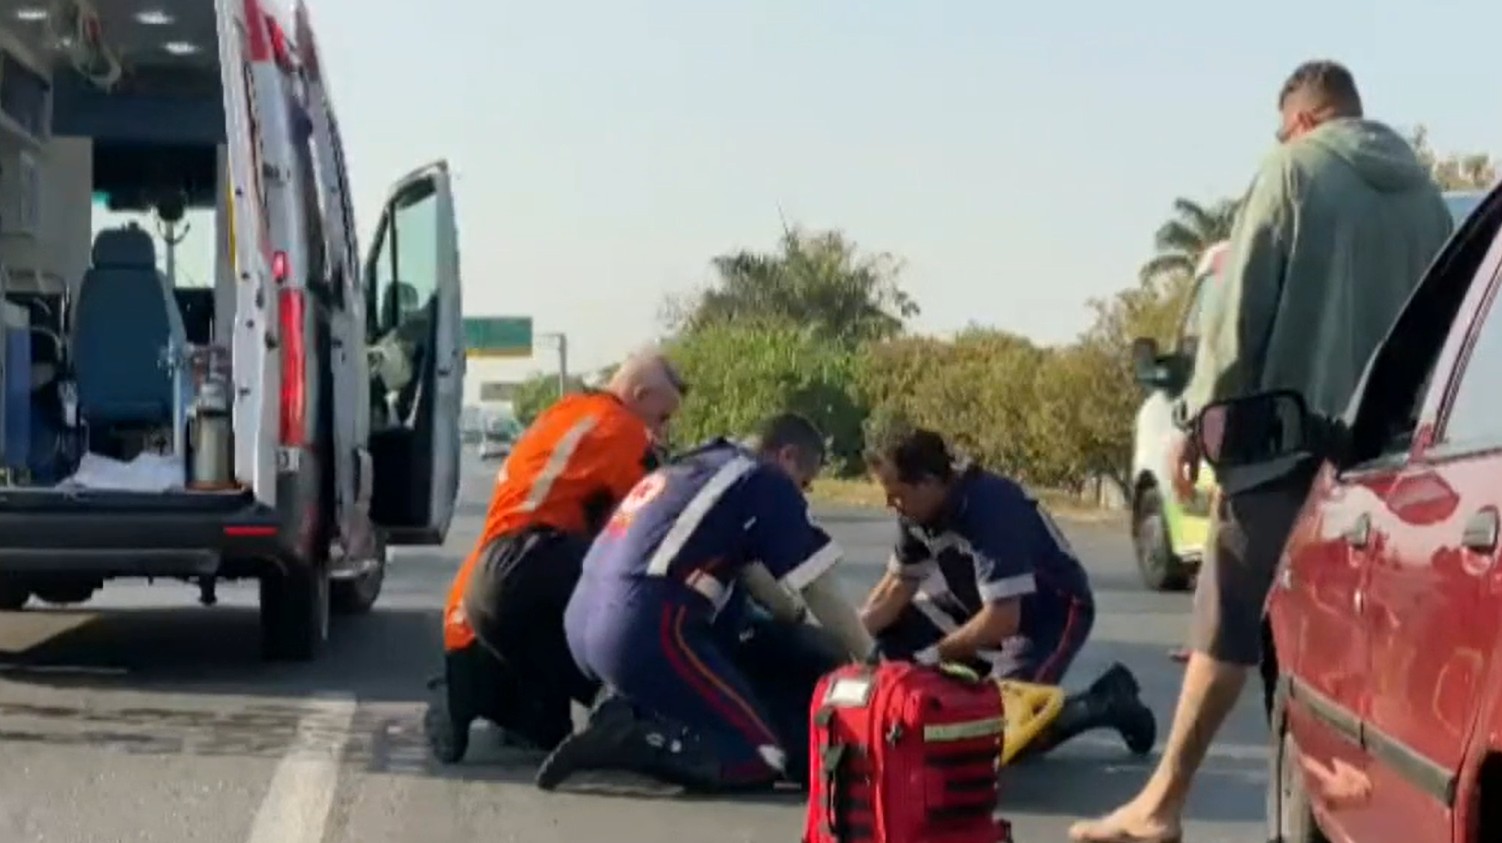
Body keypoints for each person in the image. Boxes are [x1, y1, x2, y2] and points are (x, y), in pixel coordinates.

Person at [1071, 60, 1452, 843]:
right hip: (1390, 462)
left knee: (1227, 621)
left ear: (1305, 121)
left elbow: (1240, 315)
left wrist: (1194, 419)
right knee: (1361, 647)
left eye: (1283, 129)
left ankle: (1164, 799)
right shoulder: (1424, 197)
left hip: (1285, 448)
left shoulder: (1292, 171)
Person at [534, 413, 877, 792]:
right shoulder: (764, 480)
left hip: (585, 619)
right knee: (759, 756)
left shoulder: (700, 466)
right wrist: (876, 663)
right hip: (643, 625)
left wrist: (792, 617)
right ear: (788, 456)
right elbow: (820, 589)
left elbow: (752, 575)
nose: (802, 491)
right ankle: (627, 741)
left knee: (740, 644)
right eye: (805, 482)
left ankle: (636, 713)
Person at [424, 349, 687, 763]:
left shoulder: (564, 413)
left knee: (549, 730)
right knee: (624, 582)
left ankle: (465, 694)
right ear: (639, 394)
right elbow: (650, 518)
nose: (662, 431)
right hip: (531, 564)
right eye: (662, 417)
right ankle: (626, 703)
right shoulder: (621, 429)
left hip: (479, 592)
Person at [860, 424, 1155, 758]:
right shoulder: (915, 511)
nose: (890, 504)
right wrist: (848, 643)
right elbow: (896, 588)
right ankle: (958, 704)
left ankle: (1104, 702)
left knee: (999, 738)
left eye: (896, 493)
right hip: (985, 609)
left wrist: (934, 655)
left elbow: (1003, 618)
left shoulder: (990, 507)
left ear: (928, 482)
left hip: (1048, 613)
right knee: (889, 629)